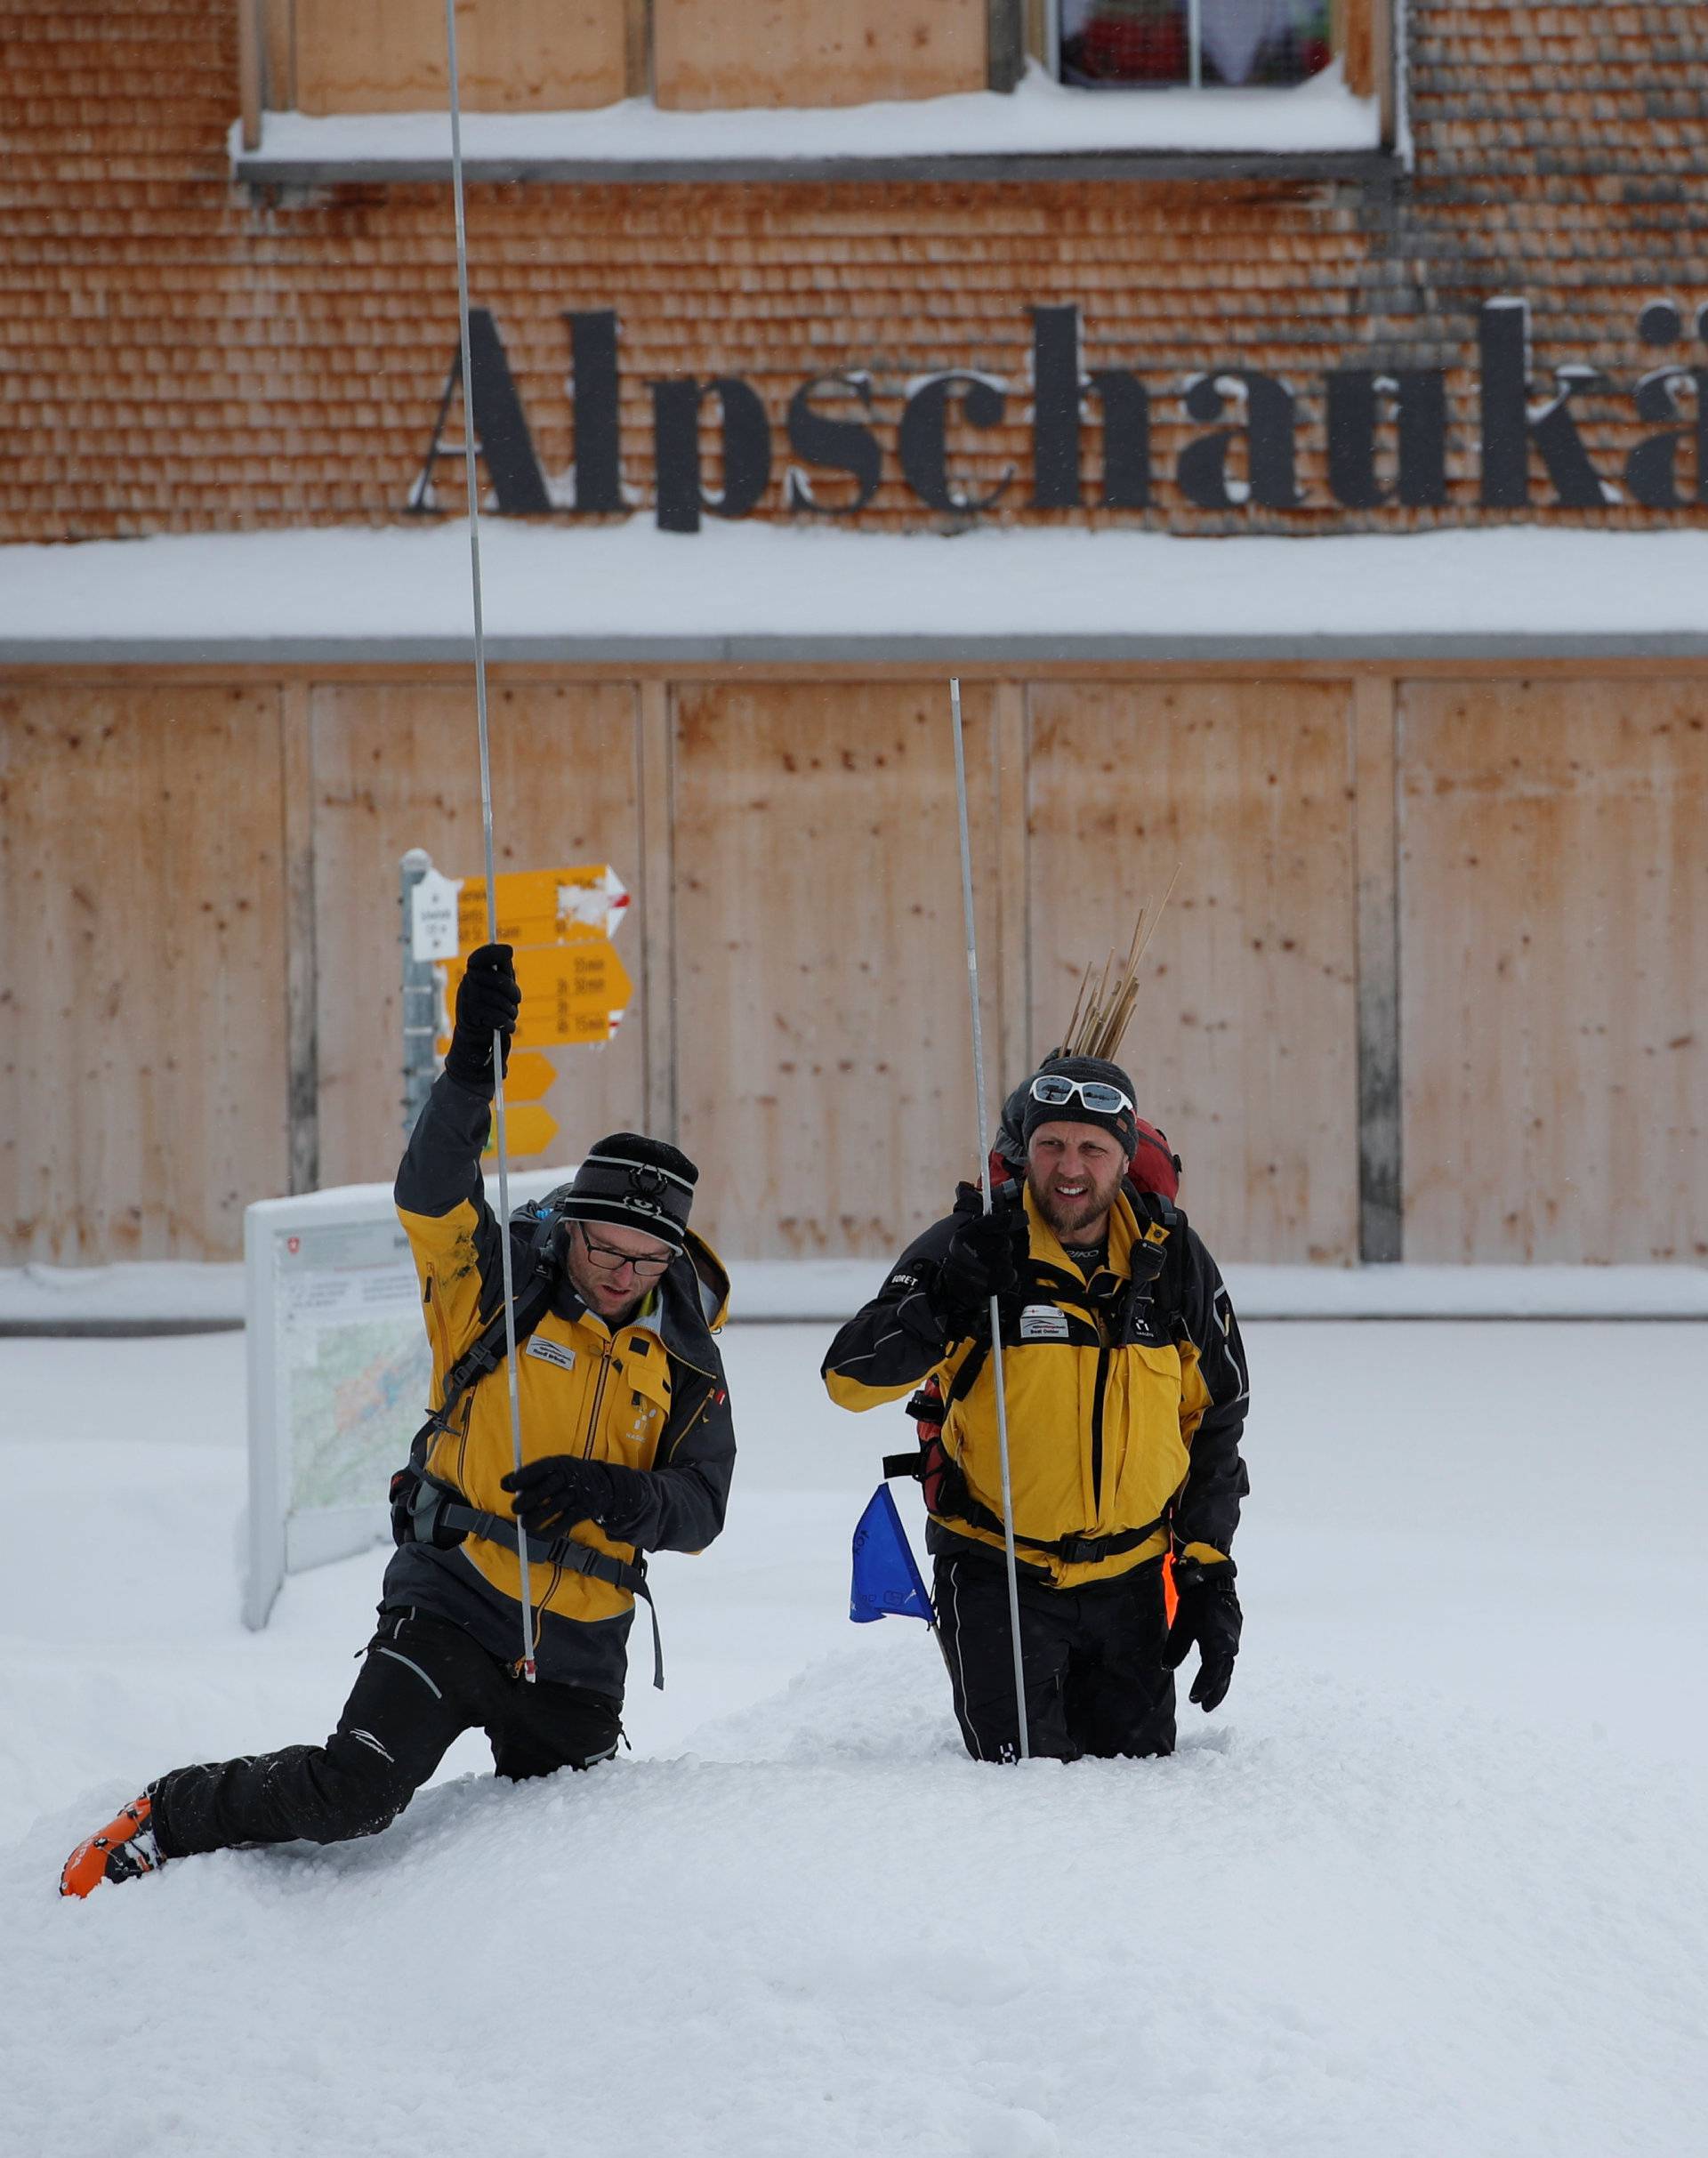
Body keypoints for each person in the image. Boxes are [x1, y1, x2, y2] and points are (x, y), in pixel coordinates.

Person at [60, 943, 735, 1896]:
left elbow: (702, 1504)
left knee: (561, 1849)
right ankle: (170, 1814)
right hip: (453, 1597)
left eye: (646, 1259)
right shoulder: (493, 1288)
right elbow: (430, 1190)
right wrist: (470, 1070)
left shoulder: (685, 1356)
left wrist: (614, 1491)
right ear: (569, 1225)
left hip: (585, 1638)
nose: (621, 1275)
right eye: (603, 1246)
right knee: (355, 1792)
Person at [823, 1054, 1248, 1764]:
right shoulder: (973, 1244)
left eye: (1093, 1148)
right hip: (997, 1575)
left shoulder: (1171, 1260)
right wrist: (946, 1303)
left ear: (1124, 1158)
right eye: (1052, 1143)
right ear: (1027, 1151)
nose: (1070, 1166)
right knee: (1021, 1796)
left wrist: (1206, 1571)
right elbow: (849, 1378)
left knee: (1137, 1790)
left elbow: (1217, 1420)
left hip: (1132, 1580)